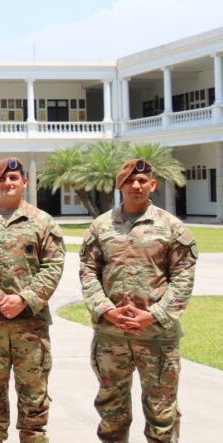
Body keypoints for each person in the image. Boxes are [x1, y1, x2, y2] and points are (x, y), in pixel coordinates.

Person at [79, 158, 198, 443]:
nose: (136, 185)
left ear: (153, 185)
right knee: (111, 413)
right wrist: (106, 311)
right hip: (111, 337)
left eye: (142, 181)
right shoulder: (101, 227)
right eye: (129, 180)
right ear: (119, 185)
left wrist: (154, 315)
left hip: (157, 337)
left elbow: (183, 278)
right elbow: (87, 273)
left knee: (162, 414)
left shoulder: (172, 228)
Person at [0, 156, 64, 443]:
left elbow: (53, 266)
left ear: (24, 182)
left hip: (30, 325)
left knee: (34, 395)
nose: (8, 183)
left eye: (14, 178)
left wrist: (24, 299)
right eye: (2, 178)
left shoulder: (42, 222)